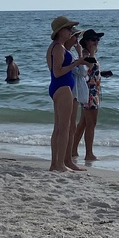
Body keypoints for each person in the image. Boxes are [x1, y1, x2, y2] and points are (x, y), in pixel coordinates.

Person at [46, 16, 89, 172]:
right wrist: (76, 63)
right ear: (60, 31)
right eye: (69, 29)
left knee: (59, 127)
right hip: (62, 87)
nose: (71, 31)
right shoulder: (58, 47)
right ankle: (59, 164)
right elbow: (57, 72)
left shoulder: (56, 47)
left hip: (59, 87)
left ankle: (55, 163)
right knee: (63, 128)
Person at [73, 30, 108, 162]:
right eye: (93, 40)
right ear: (86, 42)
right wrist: (92, 53)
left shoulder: (87, 54)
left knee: (83, 123)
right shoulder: (86, 55)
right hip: (89, 93)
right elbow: (85, 69)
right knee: (91, 124)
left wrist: (102, 73)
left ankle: (73, 149)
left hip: (92, 91)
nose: (96, 42)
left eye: (97, 40)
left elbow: (91, 71)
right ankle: (89, 154)